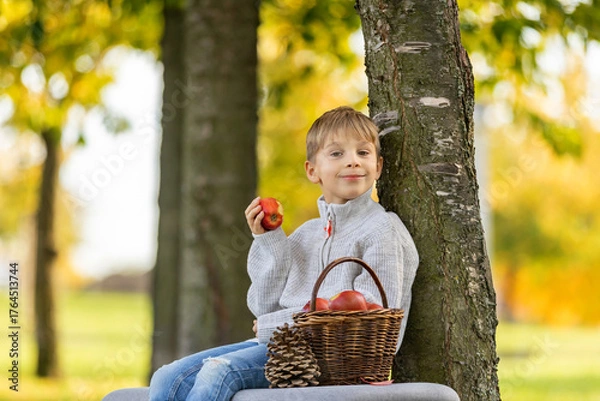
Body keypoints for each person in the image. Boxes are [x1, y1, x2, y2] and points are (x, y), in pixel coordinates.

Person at [148, 106, 419, 401]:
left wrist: (272, 324)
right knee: (167, 377)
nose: (353, 162)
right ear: (312, 170)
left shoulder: (381, 230)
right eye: (337, 153)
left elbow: (369, 317)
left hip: (328, 359)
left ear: (378, 167)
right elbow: (264, 306)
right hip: (283, 347)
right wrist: (270, 242)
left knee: (219, 371)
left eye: (363, 153)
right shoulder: (306, 234)